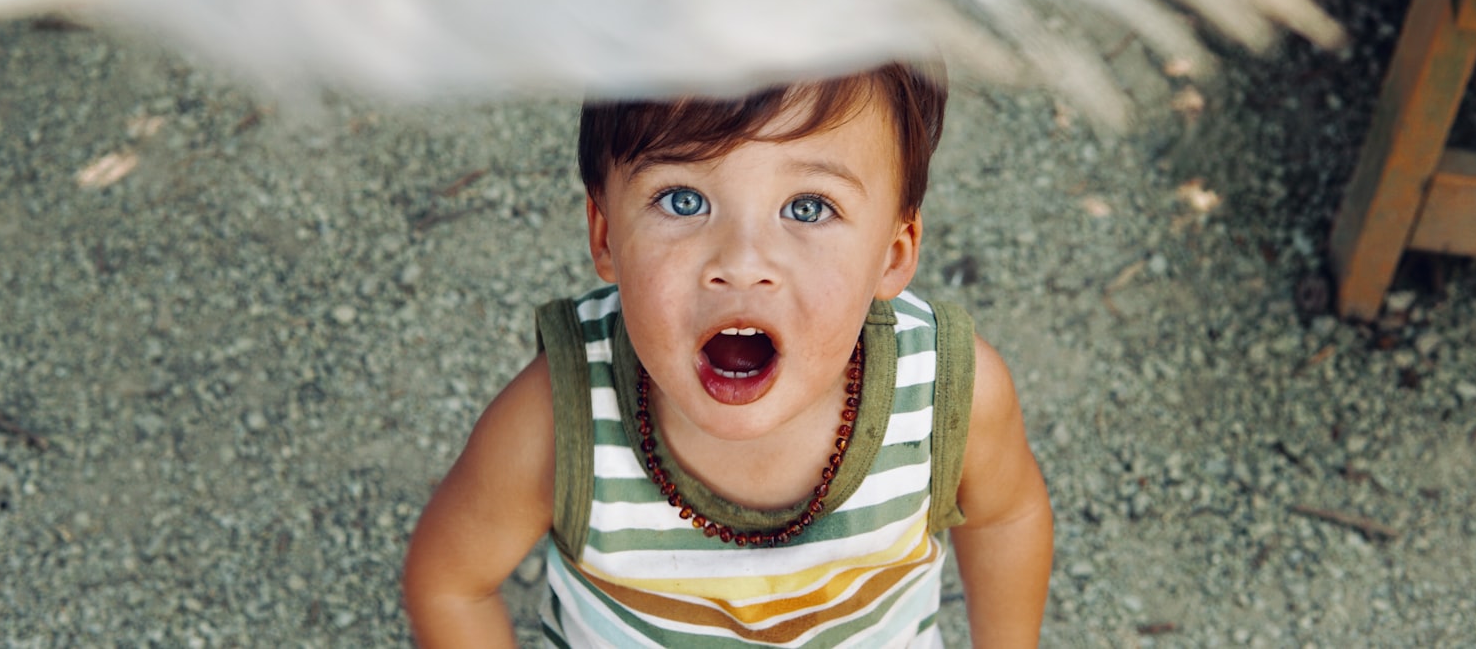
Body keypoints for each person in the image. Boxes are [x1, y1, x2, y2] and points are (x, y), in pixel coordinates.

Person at [403, 61, 1054, 646]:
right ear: (605, 234)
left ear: (893, 253)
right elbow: (451, 581)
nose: (742, 265)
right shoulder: (557, 421)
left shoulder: (945, 395)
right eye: (684, 201)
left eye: (807, 206)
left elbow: (1006, 517)